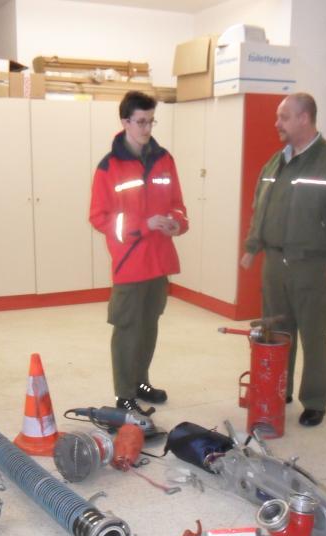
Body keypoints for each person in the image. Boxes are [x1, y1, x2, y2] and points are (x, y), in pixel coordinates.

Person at [240, 92, 326, 427]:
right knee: (276, 331)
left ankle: (314, 400)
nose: (277, 123)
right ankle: (278, 388)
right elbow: (261, 207)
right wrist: (253, 246)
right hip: (275, 263)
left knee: (314, 335)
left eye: (283, 117)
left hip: (314, 264)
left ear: (304, 118)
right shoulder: (276, 162)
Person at [89, 91, 188, 416]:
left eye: (151, 121)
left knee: (149, 327)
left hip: (159, 262)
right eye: (141, 122)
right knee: (127, 329)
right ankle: (124, 394)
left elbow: (177, 203)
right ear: (125, 122)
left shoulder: (165, 159)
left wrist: (177, 223)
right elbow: (100, 218)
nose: (147, 128)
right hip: (130, 264)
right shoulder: (109, 167)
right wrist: (143, 225)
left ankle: (141, 382)